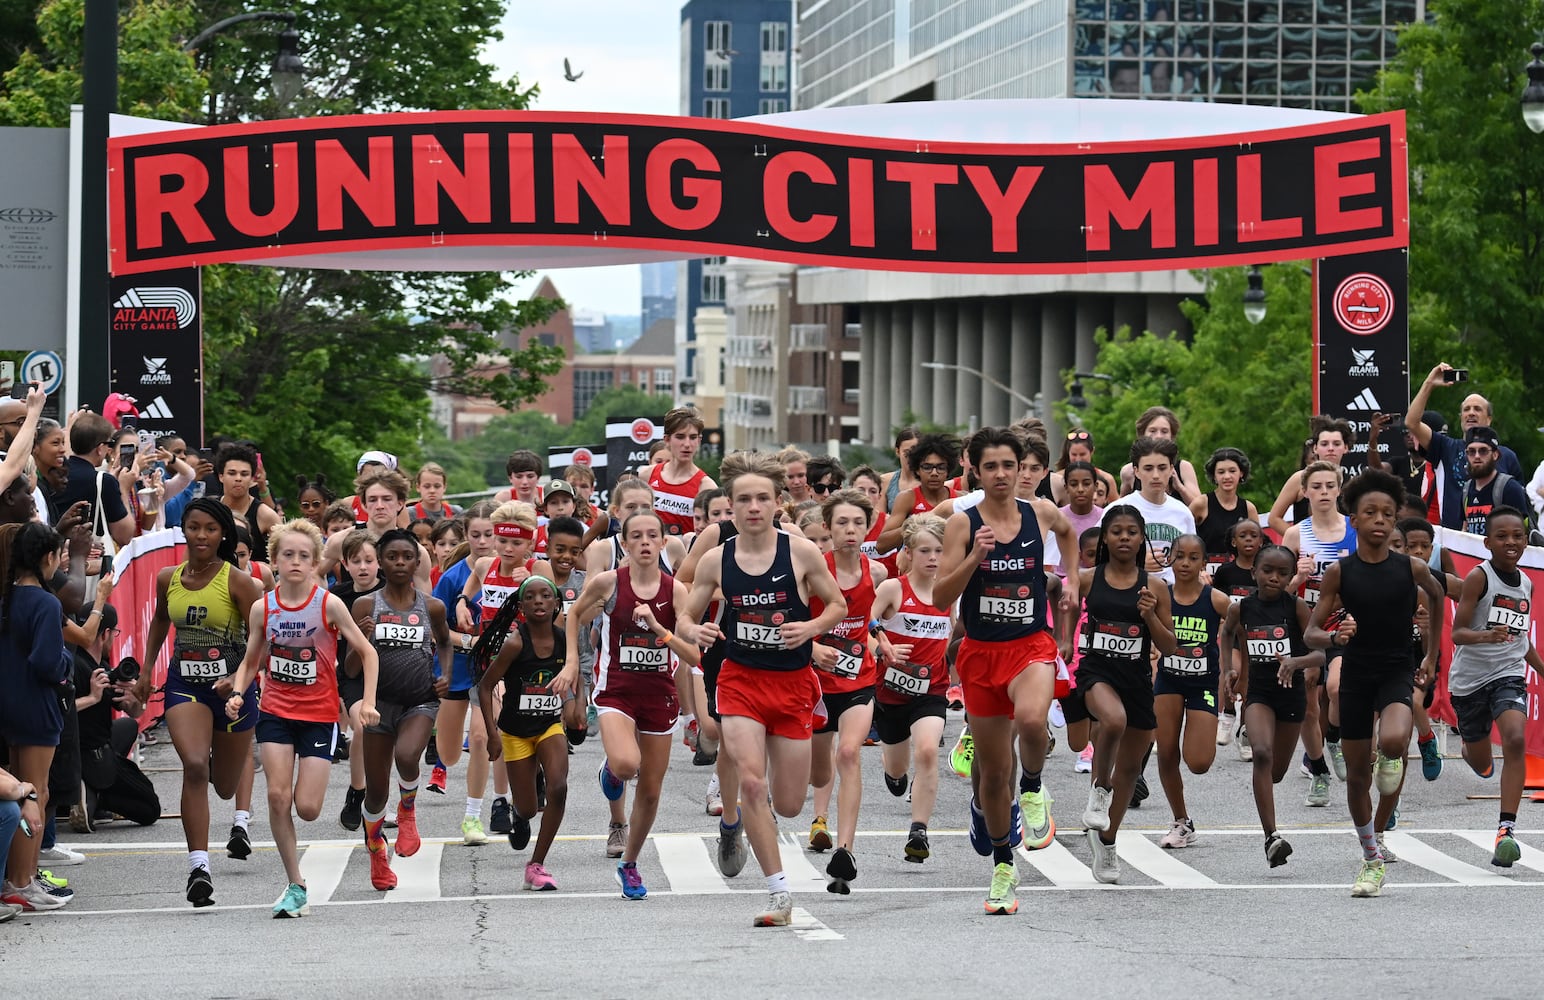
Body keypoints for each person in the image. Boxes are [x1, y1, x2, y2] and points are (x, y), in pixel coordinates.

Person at [676, 452, 847, 926]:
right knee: (751, 782)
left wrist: (809, 627)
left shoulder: (801, 552)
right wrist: (697, 632)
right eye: (744, 499)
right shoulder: (716, 559)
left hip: (791, 685)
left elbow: (836, 605)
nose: (753, 507)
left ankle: (759, 815)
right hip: (740, 680)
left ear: (778, 504)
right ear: (729, 506)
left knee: (789, 802)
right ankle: (778, 894)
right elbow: (686, 616)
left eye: (763, 499)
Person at [934, 427, 1080, 915]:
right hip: (980, 652)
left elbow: (1067, 531)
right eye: (991, 466)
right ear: (974, 469)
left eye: (1009, 466)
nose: (1001, 474)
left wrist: (1071, 581)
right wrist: (975, 556)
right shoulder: (962, 523)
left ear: (1024, 470)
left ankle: (1035, 786)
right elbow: (939, 597)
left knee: (1035, 720)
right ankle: (1003, 866)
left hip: (1029, 645)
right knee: (993, 776)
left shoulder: (1038, 512)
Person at [226, 519, 381, 918]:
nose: (295, 561)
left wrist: (366, 702)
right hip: (275, 711)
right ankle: (296, 884)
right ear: (274, 560)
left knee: (307, 808)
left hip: (319, 715)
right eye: (288, 555)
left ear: (315, 563)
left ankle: (305, 855)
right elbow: (251, 660)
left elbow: (368, 652)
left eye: (304, 556)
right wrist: (240, 691)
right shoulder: (264, 606)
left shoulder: (327, 603)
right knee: (277, 797)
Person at [1305, 470, 1445, 898]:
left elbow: (1439, 596)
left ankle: (1391, 761)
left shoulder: (1411, 567)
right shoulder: (1340, 574)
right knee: (1355, 780)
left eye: (1388, 513)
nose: (1381, 520)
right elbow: (1312, 631)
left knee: (1397, 738)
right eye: (1371, 513)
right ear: (1354, 519)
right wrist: (1334, 638)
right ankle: (1371, 858)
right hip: (1356, 673)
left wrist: (1431, 655)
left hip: (1397, 669)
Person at [135, 499, 265, 907]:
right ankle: (198, 868)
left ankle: (220, 777)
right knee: (193, 766)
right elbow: (160, 620)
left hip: (233, 691)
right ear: (183, 530)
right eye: (194, 527)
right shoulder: (166, 578)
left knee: (224, 786)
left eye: (210, 528)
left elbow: (261, 639)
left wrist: (238, 678)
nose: (202, 536)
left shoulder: (241, 582)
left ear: (223, 533)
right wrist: (145, 671)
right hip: (183, 685)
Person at [565, 509, 699, 899]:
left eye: (651, 535)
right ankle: (612, 769)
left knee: (652, 791)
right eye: (635, 535)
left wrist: (662, 632)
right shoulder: (609, 583)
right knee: (626, 764)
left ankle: (630, 864)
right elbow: (574, 613)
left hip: (659, 697)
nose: (643, 542)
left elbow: (693, 656)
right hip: (616, 693)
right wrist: (574, 661)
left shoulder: (675, 591)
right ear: (623, 543)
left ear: (662, 543)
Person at [1072, 506, 1177, 882]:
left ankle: (1107, 842)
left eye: (1132, 532)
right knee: (1112, 720)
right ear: (1105, 538)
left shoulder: (1156, 586)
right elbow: (1063, 603)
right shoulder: (1088, 579)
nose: (1124, 538)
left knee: (1131, 769)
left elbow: (1171, 646)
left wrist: (1149, 616)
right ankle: (1099, 791)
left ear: (1142, 537)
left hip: (1135, 679)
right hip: (1096, 671)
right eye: (1116, 531)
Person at [348, 528, 449, 890]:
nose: (400, 563)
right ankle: (376, 849)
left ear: (418, 561)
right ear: (380, 562)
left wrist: (445, 675)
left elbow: (446, 643)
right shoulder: (365, 606)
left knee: (408, 756)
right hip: (379, 705)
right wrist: (361, 637)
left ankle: (407, 810)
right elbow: (349, 669)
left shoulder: (431, 606)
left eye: (407, 556)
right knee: (375, 793)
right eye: (392, 557)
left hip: (420, 699)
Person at [1447, 506, 1541, 868]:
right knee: (1482, 762)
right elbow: (1458, 633)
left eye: (1517, 536)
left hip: (1508, 673)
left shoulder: (1527, 583)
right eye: (1502, 536)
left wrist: (1542, 670)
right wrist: (1488, 635)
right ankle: (1473, 754)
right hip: (1470, 681)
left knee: (1515, 738)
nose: (1511, 542)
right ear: (1487, 542)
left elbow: (1521, 641)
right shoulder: (1478, 578)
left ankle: (1506, 830)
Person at [1221, 543, 1323, 868]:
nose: (1274, 578)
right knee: (1261, 754)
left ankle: (1269, 799)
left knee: (1276, 772)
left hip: (1291, 695)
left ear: (1292, 577)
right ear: (1254, 572)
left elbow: (1320, 654)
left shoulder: (1296, 608)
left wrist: (1296, 662)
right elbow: (1225, 635)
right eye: (1267, 571)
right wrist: (1229, 669)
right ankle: (1272, 837)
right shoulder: (1241, 609)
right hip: (1260, 693)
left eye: (1282, 573)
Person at [806, 489, 887, 893]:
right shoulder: (813, 570)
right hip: (816, 683)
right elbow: (789, 619)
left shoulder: (878, 573)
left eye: (857, 522)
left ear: (868, 526)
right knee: (819, 771)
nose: (850, 530)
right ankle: (818, 816)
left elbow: (872, 618)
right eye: (842, 523)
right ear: (827, 527)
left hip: (859, 679)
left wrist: (879, 637)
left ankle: (845, 849)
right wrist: (813, 647)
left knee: (849, 753)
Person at [477, 576, 579, 890]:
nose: (538, 601)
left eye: (545, 595)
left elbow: (577, 673)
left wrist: (576, 705)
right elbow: (484, 687)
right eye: (531, 597)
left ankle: (536, 865)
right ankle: (521, 812)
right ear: (521, 607)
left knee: (558, 788)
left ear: (556, 605)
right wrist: (493, 735)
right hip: (516, 731)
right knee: (526, 808)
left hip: (549, 725)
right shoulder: (516, 643)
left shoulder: (565, 641)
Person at [0, 521, 73, 911]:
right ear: (48, 557)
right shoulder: (46, 603)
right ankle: (23, 880)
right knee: (35, 793)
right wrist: (65, 663)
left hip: (8, 704)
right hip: (36, 705)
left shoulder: (5, 599)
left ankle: (15, 876)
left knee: (16, 789)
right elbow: (48, 663)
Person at [872, 514, 952, 862]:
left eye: (939, 550)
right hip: (890, 691)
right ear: (908, 552)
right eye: (924, 550)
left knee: (928, 752)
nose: (932, 557)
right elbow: (865, 622)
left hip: (931, 691)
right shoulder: (893, 588)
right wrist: (883, 645)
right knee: (897, 766)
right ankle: (894, 771)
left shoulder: (950, 592)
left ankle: (919, 830)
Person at [1280, 460, 1353, 802]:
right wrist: (1298, 576)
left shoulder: (1354, 530)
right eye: (1316, 487)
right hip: (1305, 627)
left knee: (1337, 689)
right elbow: (1278, 589)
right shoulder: (1295, 534)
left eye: (1329, 486)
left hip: (1342, 625)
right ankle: (1318, 769)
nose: (1323, 492)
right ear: (1305, 492)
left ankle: (1335, 736)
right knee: (1308, 701)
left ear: (1339, 489)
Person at [1154, 535, 1229, 848]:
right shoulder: (1161, 596)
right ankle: (1181, 822)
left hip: (1203, 684)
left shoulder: (1215, 599)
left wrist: (1234, 670)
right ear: (1170, 559)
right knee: (1166, 752)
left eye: (1193, 557)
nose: (1185, 563)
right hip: (1168, 680)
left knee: (1198, 762)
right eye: (1180, 556)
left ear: (1203, 563)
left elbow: (1243, 624)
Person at [70, 603, 160, 832]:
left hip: (91, 744)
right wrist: (92, 697)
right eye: (115, 633)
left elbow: (135, 713)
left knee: (128, 726)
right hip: (86, 753)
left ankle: (73, 795)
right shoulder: (75, 667)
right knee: (150, 808)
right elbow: (56, 710)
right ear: (106, 634)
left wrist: (137, 696)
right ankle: (95, 795)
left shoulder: (101, 667)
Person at [1404, 363, 1524, 529]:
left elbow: (1520, 507)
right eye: (1466, 409)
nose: (1471, 413)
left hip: (1498, 544)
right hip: (1455, 543)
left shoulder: (1507, 455)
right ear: (1461, 418)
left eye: (1477, 409)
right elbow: (1411, 422)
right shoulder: (1445, 447)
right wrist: (1429, 383)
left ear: (1489, 419)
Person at [1115, 437, 1196, 584]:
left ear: (1172, 470)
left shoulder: (1183, 513)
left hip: (1174, 595)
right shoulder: (1117, 510)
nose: (1156, 475)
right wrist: (1135, 563)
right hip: (1130, 592)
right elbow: (1098, 556)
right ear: (1136, 471)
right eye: (1148, 468)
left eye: (1162, 468)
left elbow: (1194, 556)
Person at [1267, 419, 1355, 536]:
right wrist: (1301, 540)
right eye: (1324, 444)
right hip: (1307, 552)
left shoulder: (1353, 483)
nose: (1330, 448)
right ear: (1315, 448)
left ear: (1346, 448)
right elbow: (1274, 518)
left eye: (1336, 444)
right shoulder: (1300, 478)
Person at [60, 412, 135, 548]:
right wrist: (123, 489)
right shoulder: (104, 481)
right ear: (100, 448)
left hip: (55, 555)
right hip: (87, 558)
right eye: (109, 443)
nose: (109, 449)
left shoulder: (56, 472)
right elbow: (124, 536)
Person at [876, 434, 960, 555]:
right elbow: (881, 545)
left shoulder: (960, 499)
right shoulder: (907, 498)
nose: (934, 473)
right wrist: (917, 525)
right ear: (917, 469)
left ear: (948, 470)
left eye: (941, 467)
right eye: (927, 467)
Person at [646, 406, 716, 537]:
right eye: (680, 437)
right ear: (667, 440)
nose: (687, 444)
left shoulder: (706, 486)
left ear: (699, 440)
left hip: (685, 555)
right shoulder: (647, 475)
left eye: (693, 437)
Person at [1117, 407, 1201, 503]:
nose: (1158, 436)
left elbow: (1200, 509)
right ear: (1142, 434)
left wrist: (1179, 487)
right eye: (1153, 431)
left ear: (1172, 436)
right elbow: (1120, 508)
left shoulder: (1184, 468)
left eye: (1164, 431)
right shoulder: (1129, 471)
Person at [1193, 448, 1257, 573]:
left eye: (1232, 471)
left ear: (1241, 473)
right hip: (1204, 576)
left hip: (1237, 577)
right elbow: (1185, 538)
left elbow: (1258, 545)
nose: (1227, 476)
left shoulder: (1249, 508)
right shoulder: (1201, 503)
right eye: (1221, 472)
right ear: (1214, 476)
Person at [1459, 427, 1532, 535]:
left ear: (1495, 455)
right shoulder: (1466, 490)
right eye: (1471, 451)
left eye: (1483, 451)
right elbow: (1465, 529)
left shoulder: (1509, 488)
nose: (1477, 456)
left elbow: (1520, 535)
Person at [216, 444, 281, 564]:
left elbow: (282, 557)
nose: (238, 478)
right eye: (232, 473)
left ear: (252, 479)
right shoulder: (211, 510)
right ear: (221, 476)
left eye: (244, 474)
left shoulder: (267, 515)